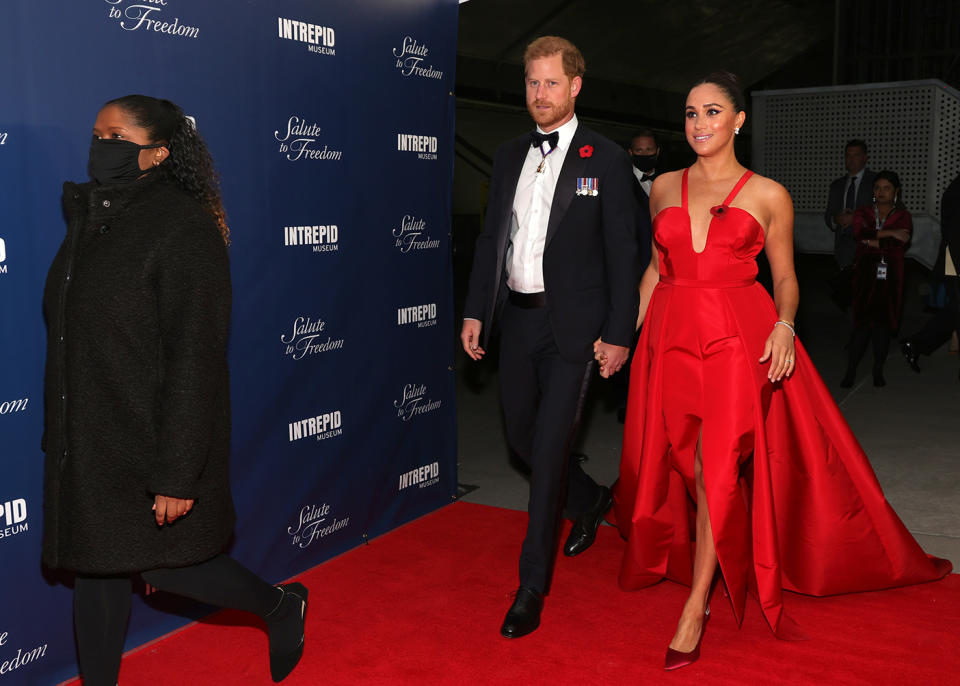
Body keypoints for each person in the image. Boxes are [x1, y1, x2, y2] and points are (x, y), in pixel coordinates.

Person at [612, 72, 951, 671]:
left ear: (739, 120)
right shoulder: (662, 186)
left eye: (713, 112)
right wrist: (622, 337)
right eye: (691, 113)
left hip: (737, 341)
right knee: (684, 464)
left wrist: (785, 325)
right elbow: (653, 271)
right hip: (669, 338)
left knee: (716, 464)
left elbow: (787, 279)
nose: (700, 124)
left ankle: (696, 607)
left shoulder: (769, 193)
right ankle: (711, 559)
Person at [42, 95, 308, 685]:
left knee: (177, 570)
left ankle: (280, 605)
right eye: (96, 134)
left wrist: (176, 472)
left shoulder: (183, 228)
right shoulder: (90, 218)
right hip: (91, 438)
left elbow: (196, 358)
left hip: (151, 437)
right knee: (98, 570)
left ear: (158, 153)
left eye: (116, 137)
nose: (100, 147)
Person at [460, 36, 642, 639]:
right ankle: (589, 501)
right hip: (517, 318)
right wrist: (476, 312)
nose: (540, 94)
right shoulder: (511, 152)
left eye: (551, 83)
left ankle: (531, 584)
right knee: (520, 438)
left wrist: (619, 333)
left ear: (575, 86)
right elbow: (492, 240)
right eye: (532, 83)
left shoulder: (606, 158)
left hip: (577, 330)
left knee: (544, 452)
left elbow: (624, 253)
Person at [842, 171, 912, 387]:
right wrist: (890, 233)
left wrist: (872, 239)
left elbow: (899, 245)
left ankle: (878, 370)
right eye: (878, 188)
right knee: (861, 325)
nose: (881, 192)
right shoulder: (863, 211)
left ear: (896, 191)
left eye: (887, 188)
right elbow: (860, 234)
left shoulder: (903, 216)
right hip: (864, 275)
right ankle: (851, 370)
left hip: (891, 277)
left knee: (882, 326)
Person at [901, 172, 960, 379]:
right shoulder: (956, 189)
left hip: (953, 259)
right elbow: (953, 233)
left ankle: (915, 344)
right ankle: (916, 343)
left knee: (954, 311)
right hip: (955, 261)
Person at [824, 140, 876, 308]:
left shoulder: (876, 182)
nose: (851, 159)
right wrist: (837, 219)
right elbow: (828, 215)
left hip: (868, 248)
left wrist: (857, 218)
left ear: (865, 158)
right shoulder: (837, 185)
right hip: (844, 249)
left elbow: (886, 212)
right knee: (847, 297)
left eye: (856, 155)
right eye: (848, 155)